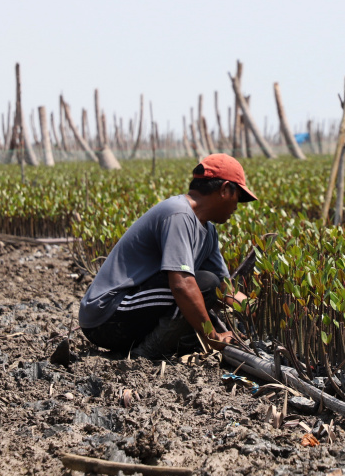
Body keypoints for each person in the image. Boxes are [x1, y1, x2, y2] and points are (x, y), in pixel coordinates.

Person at [79, 153, 256, 358]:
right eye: (239, 197)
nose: (237, 206)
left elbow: (224, 288)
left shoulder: (209, 231)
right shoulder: (178, 214)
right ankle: (149, 351)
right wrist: (213, 337)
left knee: (205, 296)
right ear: (225, 189)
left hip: (131, 314)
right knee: (204, 283)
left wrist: (253, 309)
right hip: (106, 317)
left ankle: (162, 344)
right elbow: (182, 285)